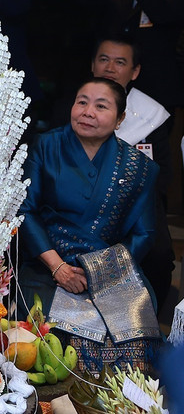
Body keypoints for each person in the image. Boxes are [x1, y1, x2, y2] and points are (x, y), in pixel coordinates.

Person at [18, 78, 161, 372]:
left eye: (101, 106)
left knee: (135, 328)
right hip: (47, 266)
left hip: (111, 271)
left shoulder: (138, 167)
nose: (87, 112)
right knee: (56, 333)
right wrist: (58, 267)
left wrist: (98, 271)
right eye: (81, 102)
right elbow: (25, 211)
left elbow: (144, 233)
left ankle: (121, 394)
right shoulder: (46, 146)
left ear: (120, 119)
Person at [89, 36, 175, 313]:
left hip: (138, 205)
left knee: (160, 255)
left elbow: (163, 173)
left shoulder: (151, 115)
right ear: (93, 65)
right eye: (104, 59)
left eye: (120, 62)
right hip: (81, 201)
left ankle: (147, 322)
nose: (110, 68)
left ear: (134, 71)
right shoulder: (75, 107)